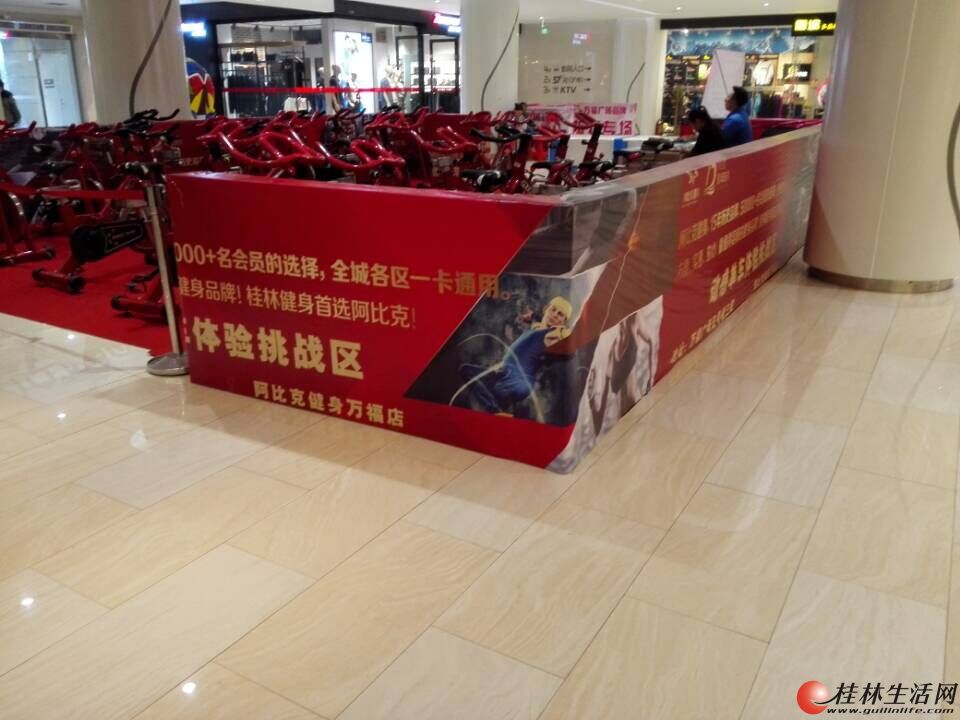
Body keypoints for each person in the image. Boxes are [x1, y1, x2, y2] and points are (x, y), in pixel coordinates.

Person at [459, 297, 573, 418]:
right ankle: (496, 412)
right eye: (553, 309)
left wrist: (563, 332)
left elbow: (568, 335)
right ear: (546, 309)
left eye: (560, 314)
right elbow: (538, 323)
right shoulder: (536, 328)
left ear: (563, 322)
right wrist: (532, 316)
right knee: (466, 370)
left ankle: (496, 411)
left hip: (519, 381)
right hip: (504, 372)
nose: (555, 315)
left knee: (495, 396)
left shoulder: (552, 335)